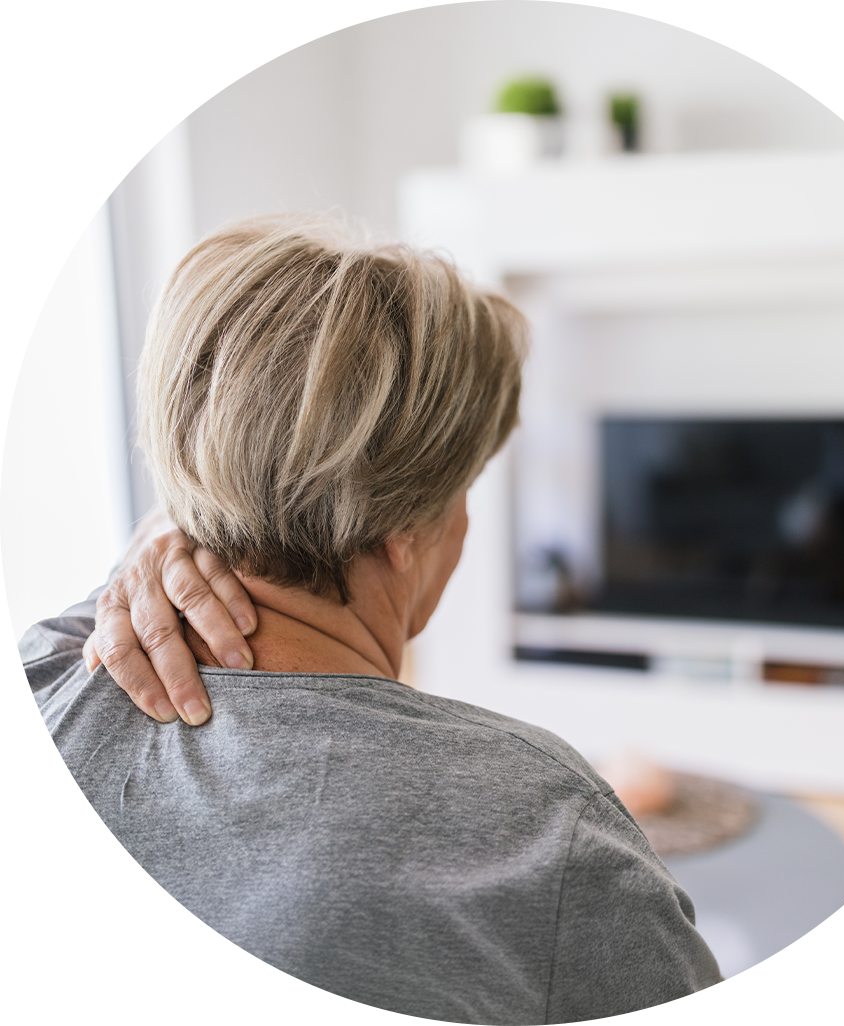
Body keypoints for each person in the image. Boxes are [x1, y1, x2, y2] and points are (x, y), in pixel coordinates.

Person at [0, 216, 750, 1025]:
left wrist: (175, 527)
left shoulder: (32, 686)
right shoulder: (531, 820)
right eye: (465, 487)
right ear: (406, 531)